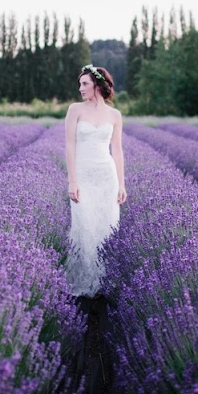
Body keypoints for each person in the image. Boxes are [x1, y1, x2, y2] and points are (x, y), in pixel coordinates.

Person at [64, 64, 126, 298]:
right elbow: (69, 145)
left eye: (85, 84)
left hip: (106, 176)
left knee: (106, 227)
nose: (80, 88)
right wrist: (72, 181)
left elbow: (117, 151)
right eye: (80, 84)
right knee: (84, 226)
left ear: (98, 85)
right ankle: (84, 283)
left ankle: (104, 283)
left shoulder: (114, 115)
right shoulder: (75, 110)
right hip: (83, 175)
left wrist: (121, 184)